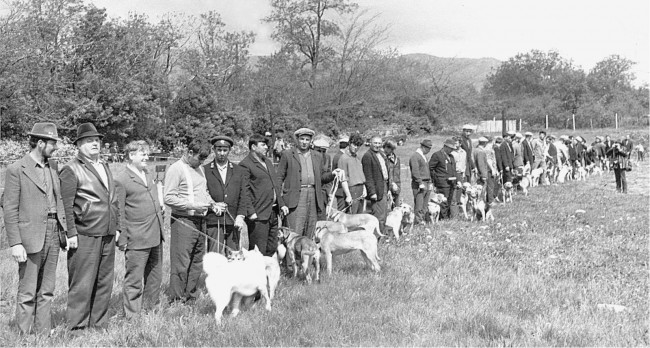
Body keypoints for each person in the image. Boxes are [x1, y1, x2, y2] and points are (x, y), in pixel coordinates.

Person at [3, 123, 67, 335]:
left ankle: (43, 333)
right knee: (28, 290)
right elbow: (10, 209)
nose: (55, 147)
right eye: (52, 143)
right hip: (29, 237)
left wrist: (64, 231)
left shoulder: (53, 167)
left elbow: (59, 200)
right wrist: (16, 243)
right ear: (40, 143)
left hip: (53, 232)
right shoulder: (16, 170)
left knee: (47, 289)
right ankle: (23, 335)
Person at [60, 122, 119, 330]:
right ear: (78, 145)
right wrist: (71, 232)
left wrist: (117, 226)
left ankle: (98, 324)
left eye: (96, 140)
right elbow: (65, 205)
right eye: (88, 141)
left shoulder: (105, 166)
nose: (94, 144)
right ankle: (76, 327)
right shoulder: (71, 169)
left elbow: (113, 198)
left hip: (108, 232)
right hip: (85, 233)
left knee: (104, 282)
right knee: (82, 283)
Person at [115, 140, 164, 318]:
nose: (147, 157)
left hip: (155, 235)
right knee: (134, 281)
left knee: (154, 278)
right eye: (142, 154)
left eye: (147, 154)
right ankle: (132, 317)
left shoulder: (148, 174)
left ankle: (151, 310)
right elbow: (119, 211)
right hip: (137, 239)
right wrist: (122, 239)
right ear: (130, 155)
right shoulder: (121, 180)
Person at [164, 140, 213, 304]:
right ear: (189, 152)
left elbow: (203, 192)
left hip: (201, 220)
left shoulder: (200, 169)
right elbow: (168, 198)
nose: (202, 162)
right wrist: (192, 205)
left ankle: (190, 296)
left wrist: (213, 204)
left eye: (204, 160)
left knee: (197, 261)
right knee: (181, 262)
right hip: (184, 221)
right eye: (199, 158)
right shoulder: (176, 169)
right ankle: (176, 299)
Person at [277, 128, 339, 238]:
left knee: (311, 230)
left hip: (313, 195)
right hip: (296, 196)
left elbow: (322, 177)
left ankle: (306, 255)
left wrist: (333, 174)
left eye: (307, 139)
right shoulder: (287, 155)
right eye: (302, 139)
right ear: (297, 140)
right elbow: (279, 178)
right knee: (294, 232)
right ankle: (292, 255)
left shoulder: (317, 156)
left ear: (311, 141)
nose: (304, 142)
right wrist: (280, 201)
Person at [240, 134, 289, 256]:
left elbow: (275, 185)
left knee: (271, 248)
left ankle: (268, 274)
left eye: (266, 145)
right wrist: (250, 212)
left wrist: (281, 204)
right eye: (263, 145)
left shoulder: (267, 162)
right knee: (258, 250)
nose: (266, 147)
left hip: (272, 212)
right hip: (258, 214)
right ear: (253, 147)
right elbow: (244, 191)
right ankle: (255, 274)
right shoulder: (245, 164)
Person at [203, 136, 250, 254]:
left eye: (225, 150)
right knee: (215, 255)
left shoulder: (238, 170)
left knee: (233, 255)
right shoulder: (205, 170)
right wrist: (212, 205)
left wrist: (241, 216)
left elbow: (244, 195)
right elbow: (202, 193)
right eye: (219, 150)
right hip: (214, 220)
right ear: (214, 150)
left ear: (229, 151)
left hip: (233, 219)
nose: (222, 153)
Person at [362, 136, 391, 235]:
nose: (377, 145)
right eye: (375, 143)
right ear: (370, 143)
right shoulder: (367, 156)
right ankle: (376, 237)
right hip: (376, 189)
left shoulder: (381, 155)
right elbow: (368, 176)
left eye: (379, 143)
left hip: (384, 186)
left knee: (384, 214)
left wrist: (389, 188)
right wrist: (372, 192)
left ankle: (381, 235)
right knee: (378, 215)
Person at [337, 133, 366, 214]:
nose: (356, 148)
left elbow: (361, 175)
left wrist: (364, 189)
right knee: (351, 217)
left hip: (360, 189)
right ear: (349, 143)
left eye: (358, 146)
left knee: (359, 217)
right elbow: (343, 179)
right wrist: (348, 195)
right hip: (351, 190)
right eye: (354, 145)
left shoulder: (357, 157)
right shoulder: (343, 158)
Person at [429, 138, 458, 219]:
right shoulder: (437, 155)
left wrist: (457, 180)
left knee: (449, 201)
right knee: (443, 201)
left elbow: (453, 169)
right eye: (450, 148)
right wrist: (435, 179)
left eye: (453, 149)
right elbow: (430, 168)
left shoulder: (451, 156)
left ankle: (447, 217)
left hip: (451, 182)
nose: (452, 150)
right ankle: (443, 218)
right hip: (442, 183)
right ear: (445, 146)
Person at [409, 139, 433, 224]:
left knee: (425, 204)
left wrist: (430, 182)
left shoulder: (423, 156)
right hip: (420, 183)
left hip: (426, 182)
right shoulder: (415, 156)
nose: (429, 151)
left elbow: (427, 170)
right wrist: (419, 182)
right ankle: (418, 221)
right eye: (428, 148)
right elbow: (415, 171)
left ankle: (422, 219)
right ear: (423, 147)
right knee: (419, 204)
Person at [473, 137, 494, 216]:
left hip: (477, 175)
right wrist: (484, 175)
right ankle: (481, 211)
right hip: (482, 175)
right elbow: (481, 165)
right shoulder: (481, 152)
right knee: (482, 194)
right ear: (485, 143)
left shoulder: (475, 150)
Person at [383, 139, 401, 210]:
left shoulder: (397, 159)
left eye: (392, 149)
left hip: (396, 186)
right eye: (388, 148)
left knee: (396, 208)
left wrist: (397, 185)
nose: (390, 151)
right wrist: (391, 185)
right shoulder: (383, 158)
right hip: (387, 186)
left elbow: (397, 174)